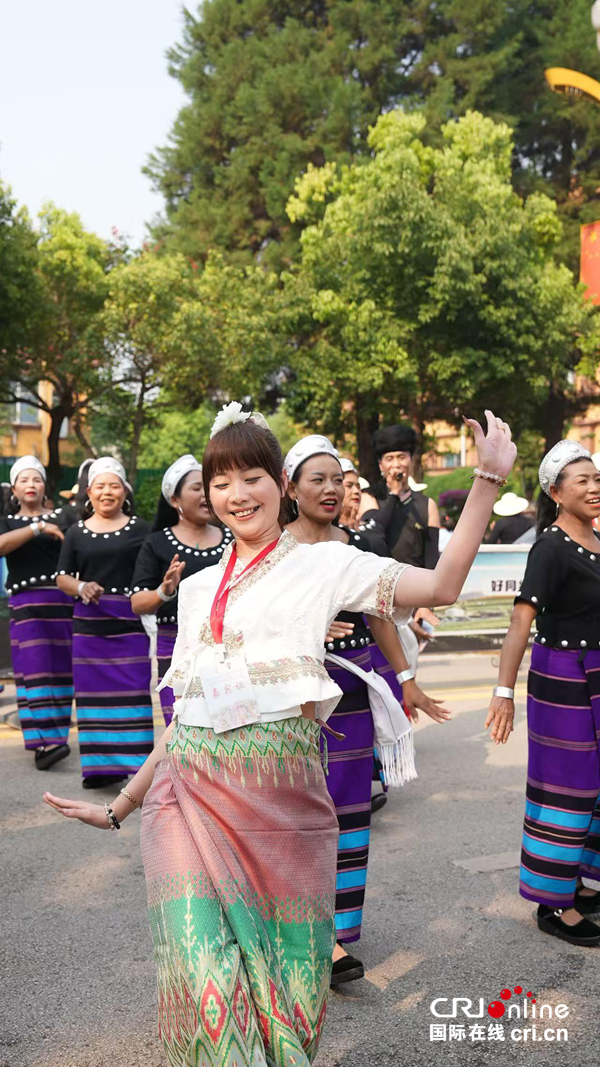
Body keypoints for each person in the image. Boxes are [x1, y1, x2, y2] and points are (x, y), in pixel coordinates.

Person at [44, 404, 515, 1067]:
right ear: (207, 495)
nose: (237, 494)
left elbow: (441, 583)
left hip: (282, 812)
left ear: (282, 484)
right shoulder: (201, 585)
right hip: (187, 802)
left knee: (284, 1002)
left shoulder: (328, 563)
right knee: (209, 984)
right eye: (221, 482)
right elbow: (187, 717)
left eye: (252, 477)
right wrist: (121, 806)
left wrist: (488, 482)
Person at [284, 434, 450, 987]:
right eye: (318, 479)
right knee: (300, 817)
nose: (332, 489)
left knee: (348, 815)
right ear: (290, 487)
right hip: (295, 697)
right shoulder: (270, 551)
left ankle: (332, 937)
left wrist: (405, 680)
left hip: (353, 695)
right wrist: (302, 630)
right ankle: (294, 933)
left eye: (339, 479)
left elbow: (379, 613)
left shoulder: (352, 544)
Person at [486, 440, 600, 947]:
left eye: (597, 479)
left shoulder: (597, 539)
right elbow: (520, 621)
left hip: (596, 670)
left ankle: (577, 879)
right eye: (583, 481)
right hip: (563, 677)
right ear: (555, 492)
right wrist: (503, 691)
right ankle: (553, 903)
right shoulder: (550, 546)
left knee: (593, 785)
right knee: (565, 785)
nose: (595, 488)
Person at [55, 458, 153, 789]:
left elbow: (149, 571)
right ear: (89, 492)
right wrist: (82, 587)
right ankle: (100, 770)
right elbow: (62, 577)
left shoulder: (141, 529)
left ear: (125, 491)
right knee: (93, 697)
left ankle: (138, 769)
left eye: (114, 485)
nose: (107, 492)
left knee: (132, 694)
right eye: (100, 486)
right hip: (89, 628)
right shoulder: (75, 532)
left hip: (129, 626)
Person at [131, 454, 232, 724]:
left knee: (229, 725)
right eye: (196, 488)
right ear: (174, 500)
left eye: (209, 487)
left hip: (229, 645)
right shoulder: (156, 543)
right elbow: (138, 602)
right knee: (181, 728)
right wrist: (164, 591)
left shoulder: (234, 538)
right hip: (175, 646)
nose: (205, 495)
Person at [0, 456, 75, 769]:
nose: (31, 485)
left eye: (36, 479)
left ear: (45, 485)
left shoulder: (66, 515)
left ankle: (55, 737)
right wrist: (38, 528)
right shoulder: (7, 520)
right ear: (14, 488)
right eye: (24, 481)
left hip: (64, 604)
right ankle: (46, 742)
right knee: (33, 672)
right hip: (27, 606)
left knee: (61, 672)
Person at [358, 424, 440, 568]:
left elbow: (432, 558)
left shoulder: (427, 505)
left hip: (415, 584)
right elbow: (374, 532)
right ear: (380, 465)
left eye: (401, 457)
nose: (396, 465)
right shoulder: (368, 497)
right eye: (389, 459)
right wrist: (394, 494)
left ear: (410, 460)